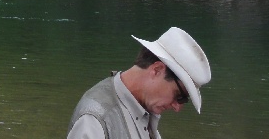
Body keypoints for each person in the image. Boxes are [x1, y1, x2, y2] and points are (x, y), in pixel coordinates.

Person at [67, 27, 211, 139]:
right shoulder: (94, 120)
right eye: (179, 95)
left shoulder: (144, 109)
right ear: (157, 70)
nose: (177, 107)